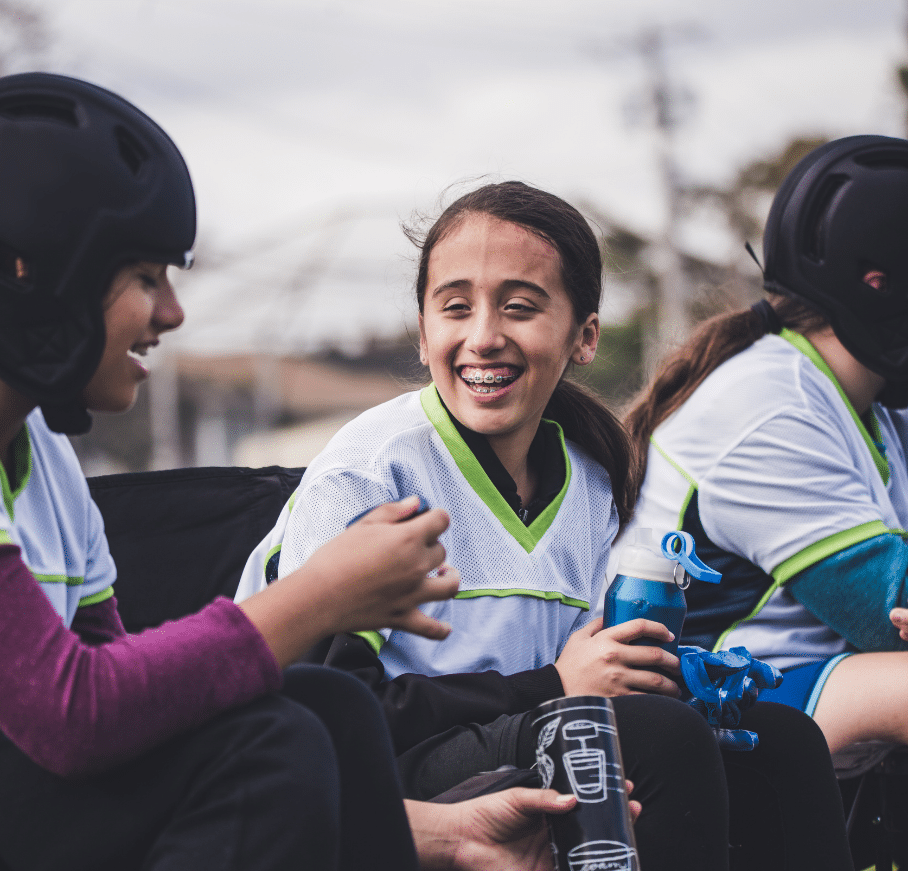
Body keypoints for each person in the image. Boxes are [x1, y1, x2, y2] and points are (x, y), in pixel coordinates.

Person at [0, 72, 586, 871]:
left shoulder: (39, 452)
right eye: (142, 275)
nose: (170, 311)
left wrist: (440, 833)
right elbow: (74, 718)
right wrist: (318, 597)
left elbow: (134, 708)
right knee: (263, 751)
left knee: (324, 709)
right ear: (30, 275)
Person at [237, 180, 852, 868]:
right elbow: (329, 715)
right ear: (422, 332)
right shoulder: (372, 473)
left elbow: (588, 672)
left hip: (516, 733)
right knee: (651, 737)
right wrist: (557, 688)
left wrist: (655, 672)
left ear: (583, 336)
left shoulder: (591, 480)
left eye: (520, 308)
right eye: (455, 308)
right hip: (365, 769)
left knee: (780, 737)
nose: (483, 337)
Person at [623, 134, 908, 763]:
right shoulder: (772, 404)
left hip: (791, 685)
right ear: (882, 284)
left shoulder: (869, 404)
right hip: (701, 708)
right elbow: (887, 615)